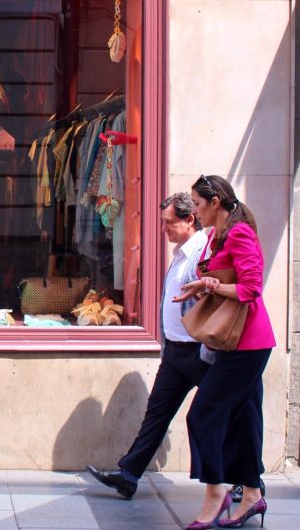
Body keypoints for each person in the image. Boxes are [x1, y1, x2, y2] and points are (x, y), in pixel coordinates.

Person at [86, 193, 209, 499]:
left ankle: (240, 483)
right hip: (177, 352)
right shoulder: (183, 252)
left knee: (219, 415)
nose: (164, 229)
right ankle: (129, 475)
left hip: (200, 352)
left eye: (169, 222)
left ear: (189, 219)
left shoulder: (201, 253)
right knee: (156, 415)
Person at [173, 174, 275, 530]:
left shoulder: (240, 233)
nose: (196, 213)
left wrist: (213, 285)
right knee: (245, 420)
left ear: (215, 202)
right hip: (235, 342)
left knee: (201, 415)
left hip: (249, 343)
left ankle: (216, 491)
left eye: (198, 205)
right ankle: (250, 494)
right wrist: (204, 285)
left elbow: (251, 288)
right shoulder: (218, 236)